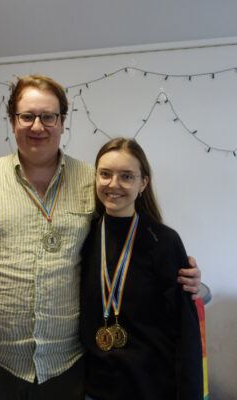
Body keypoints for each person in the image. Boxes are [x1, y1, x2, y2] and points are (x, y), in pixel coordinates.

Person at [0, 75, 201, 400]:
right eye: (27, 116)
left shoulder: (89, 180)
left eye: (48, 116)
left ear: (63, 122)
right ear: (12, 121)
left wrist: (180, 267)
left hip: (64, 363)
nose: (38, 126)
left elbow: (125, 235)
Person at [80, 138, 203, 400]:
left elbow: (186, 333)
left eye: (126, 176)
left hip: (151, 389)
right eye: (105, 174)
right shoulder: (83, 237)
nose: (113, 185)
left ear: (143, 183)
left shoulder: (164, 242)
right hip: (94, 389)